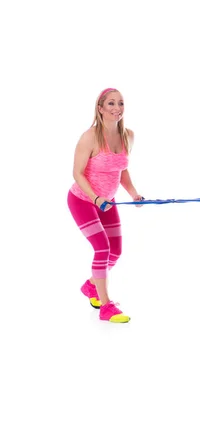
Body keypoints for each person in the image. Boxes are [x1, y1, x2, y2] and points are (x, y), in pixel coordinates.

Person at [67, 88, 143, 323]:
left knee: (116, 251)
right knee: (102, 249)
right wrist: (96, 198)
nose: (117, 108)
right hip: (83, 200)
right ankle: (106, 306)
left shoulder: (128, 135)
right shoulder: (90, 137)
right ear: (100, 108)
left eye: (120, 103)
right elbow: (77, 173)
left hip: (106, 203)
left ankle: (91, 285)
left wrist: (134, 194)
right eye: (111, 104)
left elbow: (122, 170)